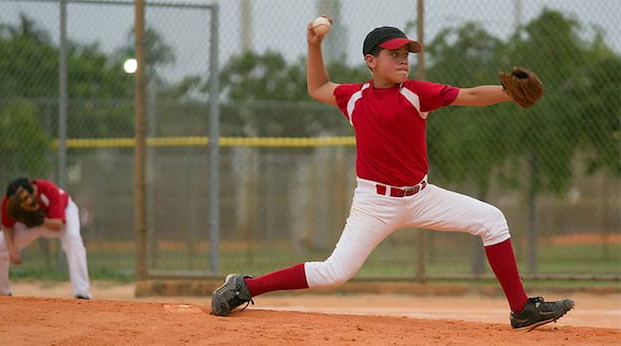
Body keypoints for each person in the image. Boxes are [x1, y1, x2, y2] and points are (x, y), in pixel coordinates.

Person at [210, 21, 574, 331]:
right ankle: (245, 286)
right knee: (334, 272)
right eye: (394, 54)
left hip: (421, 196)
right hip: (375, 203)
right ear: (371, 61)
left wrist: (510, 93)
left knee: (492, 220)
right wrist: (313, 44)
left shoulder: (416, 94)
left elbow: (470, 94)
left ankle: (522, 310)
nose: (403, 60)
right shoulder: (354, 97)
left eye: (406, 54)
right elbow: (317, 87)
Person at [0, 177, 92, 299]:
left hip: (61, 216)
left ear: (33, 190)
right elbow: (7, 226)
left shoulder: (49, 190)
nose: (20, 202)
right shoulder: (8, 200)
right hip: (32, 222)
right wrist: (11, 248)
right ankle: (1, 292)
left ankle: (82, 293)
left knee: (73, 238)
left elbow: (58, 225)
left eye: (25, 198)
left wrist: (37, 217)